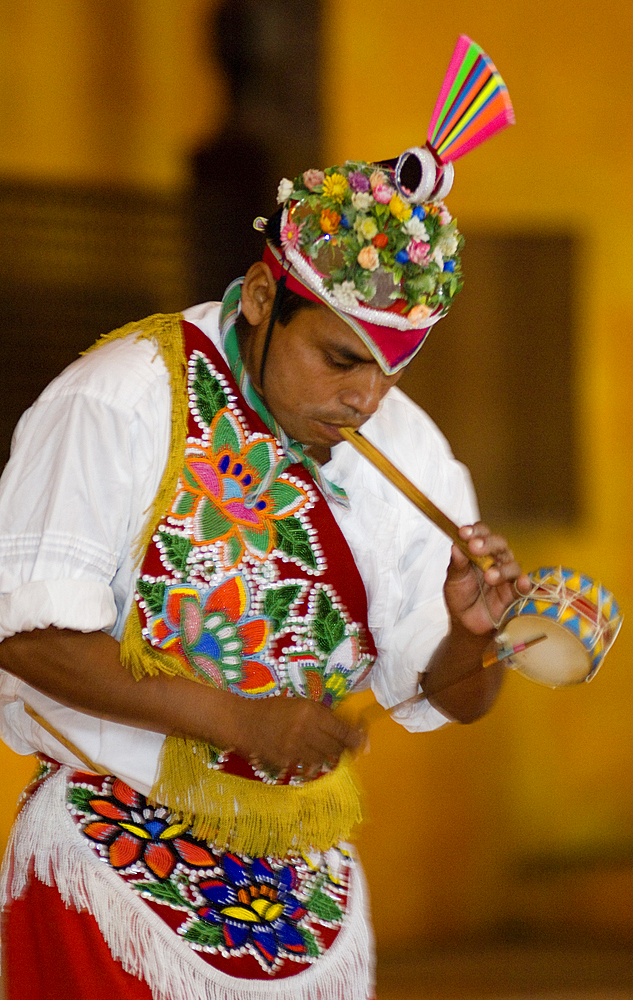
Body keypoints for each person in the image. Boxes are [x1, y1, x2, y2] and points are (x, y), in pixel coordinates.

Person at [0, 53, 526, 1000]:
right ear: (257, 296)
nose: (362, 399)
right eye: (338, 358)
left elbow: (454, 696)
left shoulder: (410, 445)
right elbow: (30, 637)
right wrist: (241, 721)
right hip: (116, 869)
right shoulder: (119, 400)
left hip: (306, 898)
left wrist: (471, 634)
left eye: (386, 374)